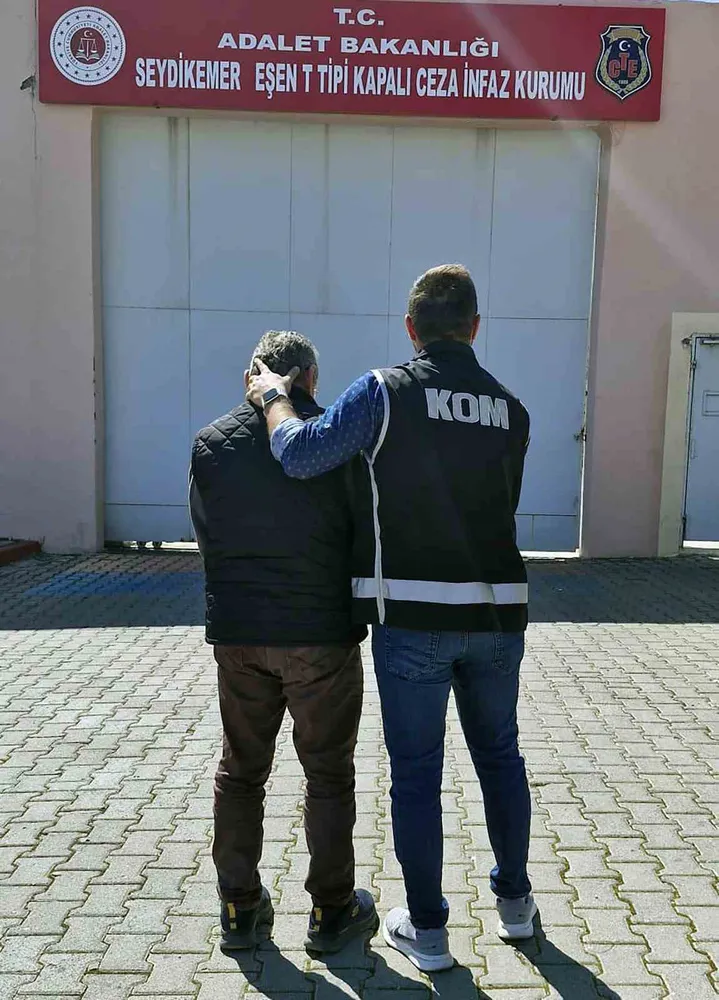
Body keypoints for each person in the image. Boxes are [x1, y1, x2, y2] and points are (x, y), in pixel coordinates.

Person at [247, 266, 535, 973]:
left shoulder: (384, 391)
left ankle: (428, 933)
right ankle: (516, 907)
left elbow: (300, 455)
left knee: (417, 774)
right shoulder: (511, 408)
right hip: (499, 616)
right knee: (500, 757)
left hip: (413, 617)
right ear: (474, 327)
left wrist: (274, 396)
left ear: (411, 329)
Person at [190, 331, 377, 955]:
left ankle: (238, 909)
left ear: (253, 375)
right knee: (328, 774)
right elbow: (362, 534)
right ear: (309, 378)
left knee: (241, 771)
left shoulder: (210, 443)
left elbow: (206, 534)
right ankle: (331, 910)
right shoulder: (335, 442)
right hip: (320, 637)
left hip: (240, 634)